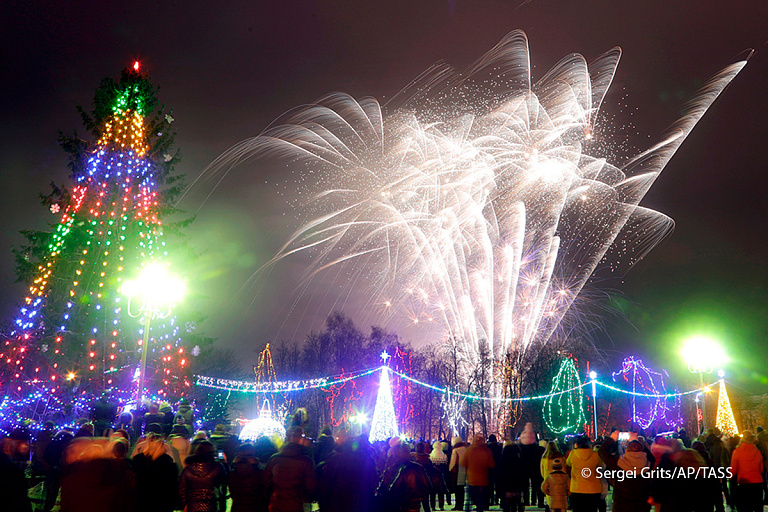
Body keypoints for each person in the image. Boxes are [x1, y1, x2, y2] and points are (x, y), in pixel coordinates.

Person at [318, 434, 378, 512]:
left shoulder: (335, 459)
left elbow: (326, 481)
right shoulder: (366, 460)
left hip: (338, 500)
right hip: (359, 501)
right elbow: (373, 480)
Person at [264, 426, 316, 512]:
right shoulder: (305, 461)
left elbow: (266, 482)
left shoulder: (275, 459)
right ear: (300, 439)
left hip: (276, 504)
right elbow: (310, 486)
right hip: (296, 505)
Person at [598, 437, 650, 512]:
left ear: (626, 451)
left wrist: (612, 438)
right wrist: (638, 441)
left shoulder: (618, 464)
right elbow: (652, 458)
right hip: (641, 506)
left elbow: (602, 451)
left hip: (621, 506)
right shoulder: (647, 464)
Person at [132, 433, 179, 512]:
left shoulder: (138, 460)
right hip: (162, 501)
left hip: (141, 500)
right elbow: (172, 485)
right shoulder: (168, 462)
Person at [179, 440, 228, 512]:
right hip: (212, 503)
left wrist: (185, 503)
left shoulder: (189, 468)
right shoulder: (217, 467)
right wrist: (225, 463)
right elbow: (225, 481)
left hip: (193, 504)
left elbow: (182, 489)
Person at [388, 442, 434, 512]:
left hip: (402, 504)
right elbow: (428, 486)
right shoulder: (418, 467)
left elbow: (392, 489)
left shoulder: (394, 469)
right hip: (415, 503)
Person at [730, 430, 765, 512]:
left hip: (744, 484)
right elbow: (761, 469)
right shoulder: (757, 451)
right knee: (758, 508)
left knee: (745, 508)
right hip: (757, 484)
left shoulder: (737, 452)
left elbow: (733, 470)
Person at [565, 436, 601, 512]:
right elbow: (599, 466)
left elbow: (568, 464)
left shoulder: (572, 454)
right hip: (593, 488)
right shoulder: (595, 455)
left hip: (577, 487)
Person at [462, 433, 496, 512]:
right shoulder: (487, 451)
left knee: (472, 498)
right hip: (483, 480)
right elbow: (491, 464)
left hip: (472, 479)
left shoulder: (469, 450)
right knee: (481, 500)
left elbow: (463, 462)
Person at [229, 443, 268, 512]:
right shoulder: (259, 472)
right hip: (256, 507)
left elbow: (232, 492)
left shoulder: (233, 473)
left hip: (238, 507)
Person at [497, 441, 524, 512]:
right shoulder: (518, 461)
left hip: (506, 487)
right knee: (514, 505)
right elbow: (521, 475)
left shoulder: (503, 461)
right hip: (516, 487)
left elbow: (500, 474)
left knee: (507, 505)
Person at [430, 440, 451, 511]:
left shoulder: (431, 455)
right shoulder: (443, 455)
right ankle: (441, 505)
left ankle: (433, 506)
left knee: (433, 492)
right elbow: (445, 466)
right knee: (441, 492)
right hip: (441, 476)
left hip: (433, 476)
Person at [448, 436, 468, 510]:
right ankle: (461, 505)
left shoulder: (455, 450)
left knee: (457, 490)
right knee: (461, 489)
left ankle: (457, 505)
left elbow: (453, 462)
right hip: (464, 471)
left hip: (457, 472)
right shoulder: (465, 449)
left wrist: (450, 469)